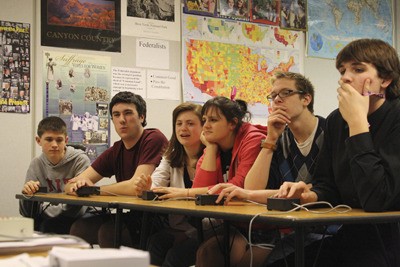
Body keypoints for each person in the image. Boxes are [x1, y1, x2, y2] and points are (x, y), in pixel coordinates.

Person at [273, 38, 400, 266]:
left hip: (391, 240)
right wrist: (310, 194)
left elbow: (379, 199)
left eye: (358, 69)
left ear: (386, 79)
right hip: (353, 237)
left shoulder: (394, 116)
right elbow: (328, 184)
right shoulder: (335, 120)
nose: (345, 77)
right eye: (342, 71)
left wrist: (358, 123)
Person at [196, 72, 326, 267]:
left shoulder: (329, 131)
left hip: (327, 227)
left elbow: (323, 190)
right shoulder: (279, 139)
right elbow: (252, 188)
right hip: (291, 228)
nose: (277, 100)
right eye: (273, 96)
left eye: (286, 93)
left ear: (306, 99)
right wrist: (271, 139)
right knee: (210, 252)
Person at [66, 91, 168, 248]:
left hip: (159, 218)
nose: (122, 120)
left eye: (128, 113)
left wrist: (93, 190)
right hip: (132, 214)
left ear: (142, 117)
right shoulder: (116, 149)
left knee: (109, 233)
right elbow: (71, 184)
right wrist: (77, 185)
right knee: (79, 228)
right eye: (116, 115)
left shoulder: (153, 138)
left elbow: (135, 186)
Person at [135, 102, 204, 267]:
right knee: (154, 243)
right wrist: (146, 188)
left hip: (209, 229)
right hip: (180, 227)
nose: (183, 128)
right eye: (179, 124)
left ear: (203, 127)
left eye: (190, 123)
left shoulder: (213, 156)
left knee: (176, 256)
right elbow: (156, 183)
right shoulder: (171, 156)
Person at [19, 116, 91, 234]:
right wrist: (27, 194)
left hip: (76, 217)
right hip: (46, 218)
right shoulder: (36, 164)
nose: (54, 144)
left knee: (49, 226)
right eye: (49, 139)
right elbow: (27, 213)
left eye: (59, 140)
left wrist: (43, 211)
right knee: (24, 228)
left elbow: (77, 208)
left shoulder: (80, 160)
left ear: (66, 140)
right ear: (38, 141)